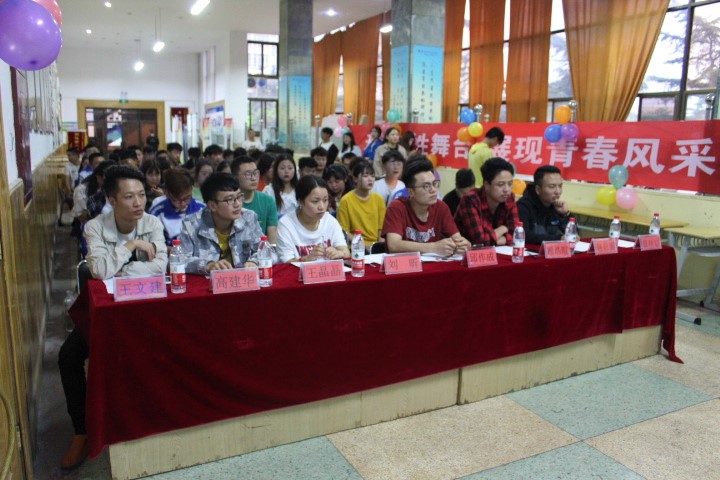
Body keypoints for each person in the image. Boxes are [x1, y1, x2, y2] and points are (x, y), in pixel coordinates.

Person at [58, 165, 168, 470]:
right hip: (105, 314)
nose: (138, 202)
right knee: (67, 357)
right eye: (129, 197)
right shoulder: (94, 227)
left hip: (144, 310)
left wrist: (120, 271)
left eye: (142, 195)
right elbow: (98, 270)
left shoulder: (152, 223)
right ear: (112, 199)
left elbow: (160, 267)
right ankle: (82, 431)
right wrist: (130, 246)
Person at [180, 173, 266, 274]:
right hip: (209, 282)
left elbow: (267, 250)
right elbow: (179, 260)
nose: (237, 204)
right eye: (230, 199)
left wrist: (254, 261)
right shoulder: (191, 224)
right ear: (212, 205)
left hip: (242, 280)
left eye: (239, 197)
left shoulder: (248, 217)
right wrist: (207, 265)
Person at [382, 157, 471, 255]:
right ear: (411, 191)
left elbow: (457, 239)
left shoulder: (441, 207)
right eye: (426, 186)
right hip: (404, 264)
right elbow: (394, 245)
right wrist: (433, 247)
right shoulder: (397, 207)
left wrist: (462, 245)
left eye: (435, 183)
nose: (433, 190)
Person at [276, 175, 350, 263]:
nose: (322, 207)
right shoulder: (286, 224)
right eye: (315, 201)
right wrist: (306, 259)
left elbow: (346, 252)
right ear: (300, 202)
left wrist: (339, 253)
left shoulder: (329, 220)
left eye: (325, 200)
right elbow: (286, 262)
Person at [455, 157, 520, 246]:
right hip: (464, 252)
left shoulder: (509, 198)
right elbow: (480, 241)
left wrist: (497, 239)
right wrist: (503, 228)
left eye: (510, 184)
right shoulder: (470, 200)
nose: (507, 189)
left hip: (497, 251)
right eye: (501, 184)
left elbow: (517, 235)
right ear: (486, 185)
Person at [149, 168, 205, 244]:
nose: (183, 203)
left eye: (187, 198)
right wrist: (167, 248)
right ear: (167, 193)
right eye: (177, 200)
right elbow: (152, 240)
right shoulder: (158, 210)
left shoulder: (201, 209)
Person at [337, 160, 386, 246]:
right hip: (355, 246)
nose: (370, 179)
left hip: (375, 246)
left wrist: (379, 247)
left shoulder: (379, 199)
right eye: (365, 176)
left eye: (372, 176)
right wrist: (360, 244)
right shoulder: (346, 201)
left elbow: (381, 229)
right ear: (355, 179)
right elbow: (344, 231)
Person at [517, 165, 571, 244]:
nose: (558, 191)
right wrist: (558, 239)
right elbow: (524, 236)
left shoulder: (557, 206)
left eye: (560, 186)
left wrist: (565, 214)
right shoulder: (523, 206)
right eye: (552, 187)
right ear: (538, 189)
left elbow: (573, 235)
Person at [231, 156, 278, 244]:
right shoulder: (229, 202)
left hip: (261, 250)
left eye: (256, 173)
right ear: (235, 177)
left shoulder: (268, 200)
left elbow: (272, 238)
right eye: (248, 174)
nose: (253, 178)